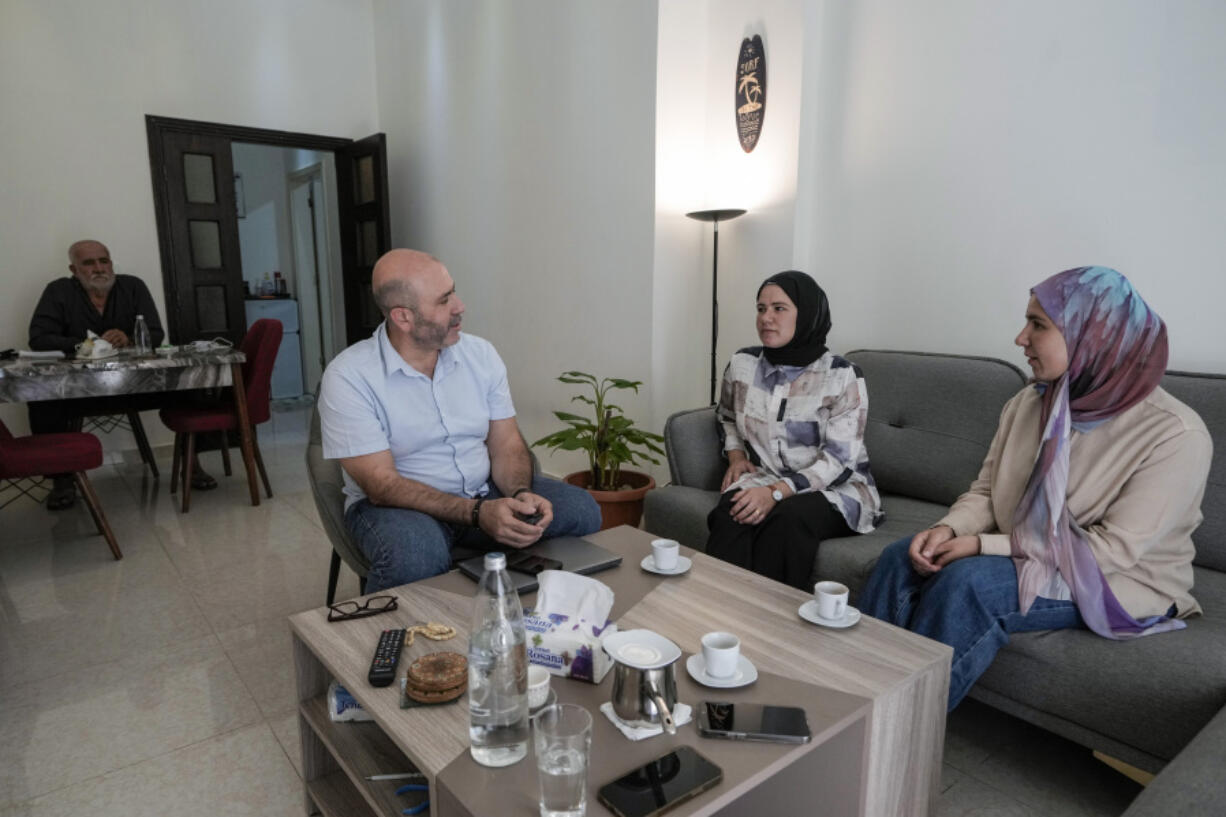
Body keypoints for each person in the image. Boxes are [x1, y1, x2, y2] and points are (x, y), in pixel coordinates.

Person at [859, 266, 1212, 711]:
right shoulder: (1029, 402)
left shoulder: (1175, 434)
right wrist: (948, 529)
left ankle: (898, 729)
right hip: (1025, 552)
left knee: (969, 584)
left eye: (1038, 325)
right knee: (899, 557)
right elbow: (987, 491)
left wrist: (981, 545)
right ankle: (855, 698)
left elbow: (1111, 552)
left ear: (1093, 336)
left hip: (1117, 578)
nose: (1020, 338)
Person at [318, 249, 601, 593]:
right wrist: (478, 513)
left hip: (483, 491)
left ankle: (537, 618)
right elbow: (382, 486)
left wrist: (520, 493)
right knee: (416, 554)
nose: (460, 306)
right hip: (399, 507)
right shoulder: (349, 376)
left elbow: (506, 444)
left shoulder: (480, 354)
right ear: (403, 318)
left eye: (453, 291)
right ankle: (393, 639)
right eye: (444, 300)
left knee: (581, 510)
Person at [706, 270, 883, 590]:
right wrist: (735, 456)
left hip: (835, 490)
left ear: (808, 314)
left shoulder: (842, 376)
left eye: (779, 308)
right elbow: (727, 416)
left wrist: (775, 494)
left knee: (787, 519)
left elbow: (839, 462)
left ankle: (769, 623)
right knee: (729, 513)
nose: (766, 318)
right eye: (761, 309)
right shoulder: (742, 364)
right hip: (767, 477)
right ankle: (719, 615)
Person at [27, 240, 216, 510]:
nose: (99, 268)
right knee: (41, 399)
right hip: (81, 391)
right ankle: (62, 480)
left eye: (104, 261)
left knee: (189, 384)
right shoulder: (58, 291)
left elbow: (156, 334)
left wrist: (128, 338)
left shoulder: (132, 286)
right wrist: (89, 344)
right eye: (89, 263)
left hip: (136, 387)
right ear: (74, 268)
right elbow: (39, 339)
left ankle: (192, 463)